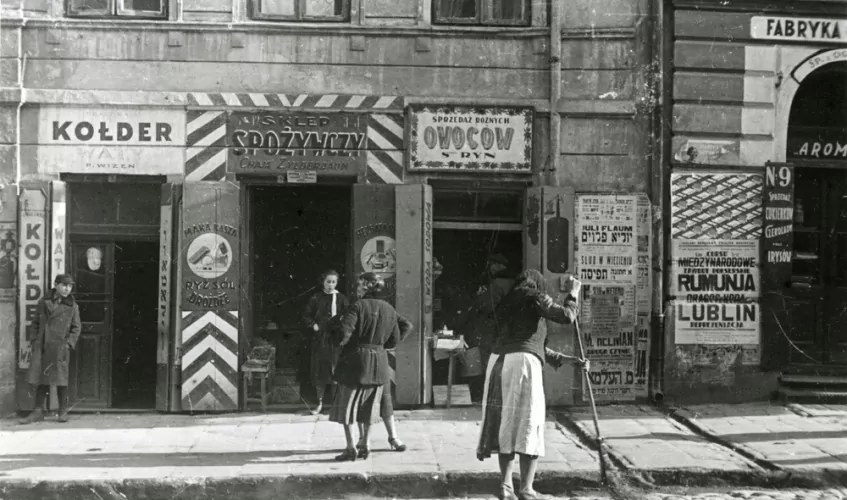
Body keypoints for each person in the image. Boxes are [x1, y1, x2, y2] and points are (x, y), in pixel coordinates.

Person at [476, 270, 589, 500]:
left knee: (506, 423)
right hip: (523, 365)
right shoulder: (535, 295)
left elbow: (532, 345)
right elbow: (567, 316)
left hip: (498, 364)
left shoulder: (507, 302)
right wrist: (573, 293)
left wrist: (569, 361)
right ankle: (526, 489)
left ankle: (506, 487)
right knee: (531, 422)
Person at [329, 272, 413, 461]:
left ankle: (351, 448)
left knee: (347, 407)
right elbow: (406, 325)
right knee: (369, 407)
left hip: (355, 361)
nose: (357, 288)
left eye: (360, 285)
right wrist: (387, 344)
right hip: (379, 362)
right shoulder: (388, 308)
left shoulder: (357, 306)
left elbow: (344, 333)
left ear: (366, 287)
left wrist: (336, 338)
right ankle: (366, 445)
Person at [19, 274, 81, 424]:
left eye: (70, 286)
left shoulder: (72, 306)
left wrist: (69, 344)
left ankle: (62, 411)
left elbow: (76, 327)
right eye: (64, 285)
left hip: (60, 347)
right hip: (43, 346)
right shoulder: (44, 302)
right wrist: (35, 340)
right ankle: (38, 411)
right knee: (42, 379)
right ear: (56, 285)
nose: (67, 289)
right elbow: (35, 322)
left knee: (61, 380)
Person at [461, 253, 515, 403]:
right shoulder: (515, 282)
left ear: (498, 266)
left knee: (489, 362)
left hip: (493, 331)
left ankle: (489, 396)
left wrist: (479, 297)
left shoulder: (497, 284)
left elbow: (486, 306)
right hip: (509, 331)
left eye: (492, 265)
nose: (490, 268)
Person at [303, 270, 350, 415]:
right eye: (328, 282)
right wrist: (313, 325)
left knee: (335, 371)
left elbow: (348, 316)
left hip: (336, 340)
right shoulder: (316, 298)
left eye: (333, 282)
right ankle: (320, 403)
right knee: (320, 372)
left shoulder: (341, 299)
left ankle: (336, 404)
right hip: (320, 339)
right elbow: (306, 315)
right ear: (323, 282)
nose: (330, 285)